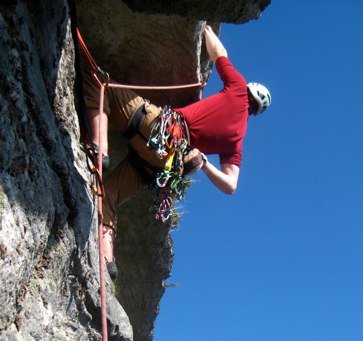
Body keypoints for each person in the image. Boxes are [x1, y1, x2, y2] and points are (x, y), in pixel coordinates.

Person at [82, 26, 271, 278]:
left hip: (160, 130)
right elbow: (230, 185)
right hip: (160, 167)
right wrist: (204, 163)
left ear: (249, 91)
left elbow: (219, 53)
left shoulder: (237, 89)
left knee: (99, 82)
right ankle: (106, 258)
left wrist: (205, 28)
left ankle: (99, 149)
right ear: (255, 112)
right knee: (109, 196)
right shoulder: (237, 143)